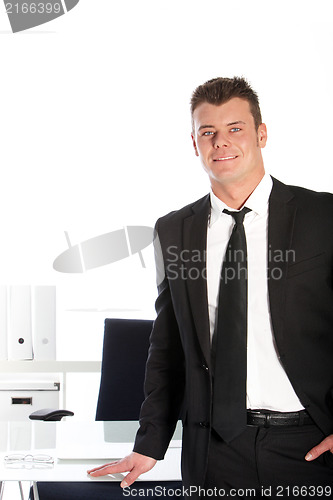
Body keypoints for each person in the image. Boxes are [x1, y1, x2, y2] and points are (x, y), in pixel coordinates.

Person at [88, 77, 333, 498]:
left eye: (235, 128)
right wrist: (150, 443)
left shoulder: (323, 216)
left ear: (261, 133)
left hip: (309, 444)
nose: (221, 142)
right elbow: (166, 345)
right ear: (195, 143)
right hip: (214, 450)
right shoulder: (174, 230)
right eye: (208, 132)